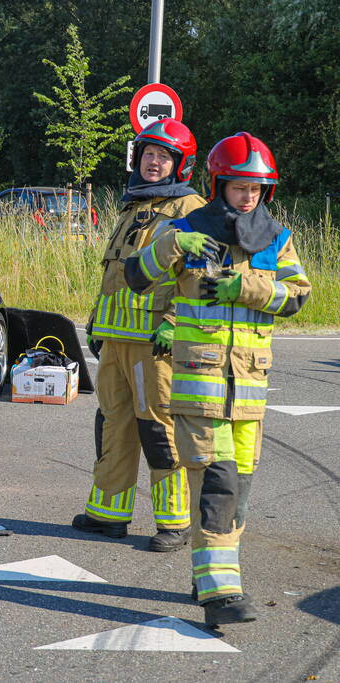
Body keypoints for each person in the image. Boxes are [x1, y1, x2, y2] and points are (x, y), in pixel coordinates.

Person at [124, 132, 311, 627]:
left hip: (249, 393)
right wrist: (168, 244)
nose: (247, 197)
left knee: (237, 492)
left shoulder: (276, 237)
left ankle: (206, 576)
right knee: (218, 486)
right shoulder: (186, 230)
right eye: (238, 187)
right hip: (199, 391)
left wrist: (244, 285)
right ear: (218, 184)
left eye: (256, 189)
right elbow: (135, 277)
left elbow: (297, 295)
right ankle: (221, 595)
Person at [74, 119, 207, 551]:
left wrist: (174, 323)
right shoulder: (135, 206)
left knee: (159, 430)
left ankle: (174, 523)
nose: (154, 162)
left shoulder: (190, 210)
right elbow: (115, 272)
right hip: (115, 341)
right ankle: (108, 515)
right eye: (149, 153)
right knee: (113, 426)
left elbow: (199, 278)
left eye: (164, 156)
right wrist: (96, 322)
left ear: (179, 164)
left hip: (156, 345)